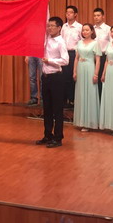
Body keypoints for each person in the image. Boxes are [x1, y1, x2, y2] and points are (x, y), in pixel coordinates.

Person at [36, 16, 69, 148]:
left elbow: (65, 60)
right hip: (45, 77)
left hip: (56, 78)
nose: (49, 28)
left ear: (59, 28)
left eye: (52, 26)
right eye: (48, 26)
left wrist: (50, 61)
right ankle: (47, 135)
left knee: (57, 109)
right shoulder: (46, 40)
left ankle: (58, 137)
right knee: (47, 108)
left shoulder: (61, 42)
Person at [72, 23, 100, 131]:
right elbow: (76, 58)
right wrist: (74, 71)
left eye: (87, 30)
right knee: (81, 93)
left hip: (89, 67)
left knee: (90, 93)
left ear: (92, 31)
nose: (85, 32)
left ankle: (90, 122)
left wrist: (96, 74)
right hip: (80, 68)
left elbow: (98, 60)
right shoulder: (79, 42)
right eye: (83, 30)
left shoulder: (95, 43)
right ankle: (81, 121)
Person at [61, 5, 82, 106]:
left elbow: (82, 41)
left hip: (74, 54)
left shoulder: (79, 27)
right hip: (64, 53)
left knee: (73, 76)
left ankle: (72, 99)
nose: (68, 14)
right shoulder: (63, 27)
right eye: (67, 12)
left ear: (75, 14)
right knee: (64, 76)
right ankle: (64, 99)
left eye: (71, 12)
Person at [92, 8, 110, 87]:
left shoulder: (108, 29)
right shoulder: (91, 29)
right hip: (92, 57)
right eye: (94, 16)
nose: (96, 17)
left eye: (98, 15)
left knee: (102, 79)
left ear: (103, 16)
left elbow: (112, 43)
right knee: (93, 79)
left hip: (103, 57)